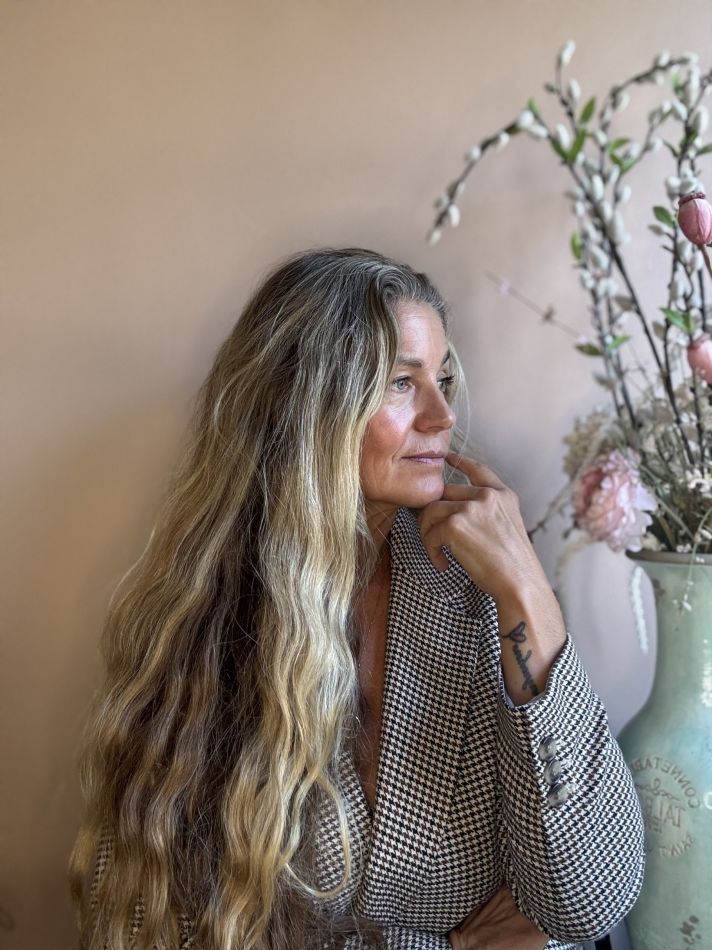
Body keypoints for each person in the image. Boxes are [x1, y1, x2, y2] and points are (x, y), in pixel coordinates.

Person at [69, 247, 645, 949]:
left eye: (443, 378)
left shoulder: (479, 587)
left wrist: (528, 592)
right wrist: (452, 947)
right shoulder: (204, 621)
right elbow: (150, 923)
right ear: (310, 405)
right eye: (402, 382)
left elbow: (588, 901)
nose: (442, 415)